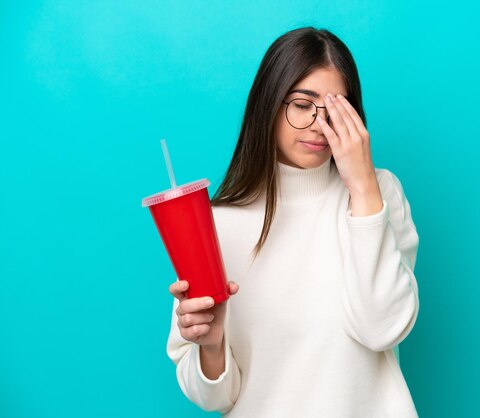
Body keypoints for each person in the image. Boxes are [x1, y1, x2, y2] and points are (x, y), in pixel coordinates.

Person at [166, 26, 420, 418]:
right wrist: (211, 346)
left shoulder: (379, 192)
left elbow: (382, 328)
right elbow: (214, 398)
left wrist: (364, 187)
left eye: (336, 109)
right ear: (269, 104)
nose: (320, 125)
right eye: (302, 104)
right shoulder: (215, 225)